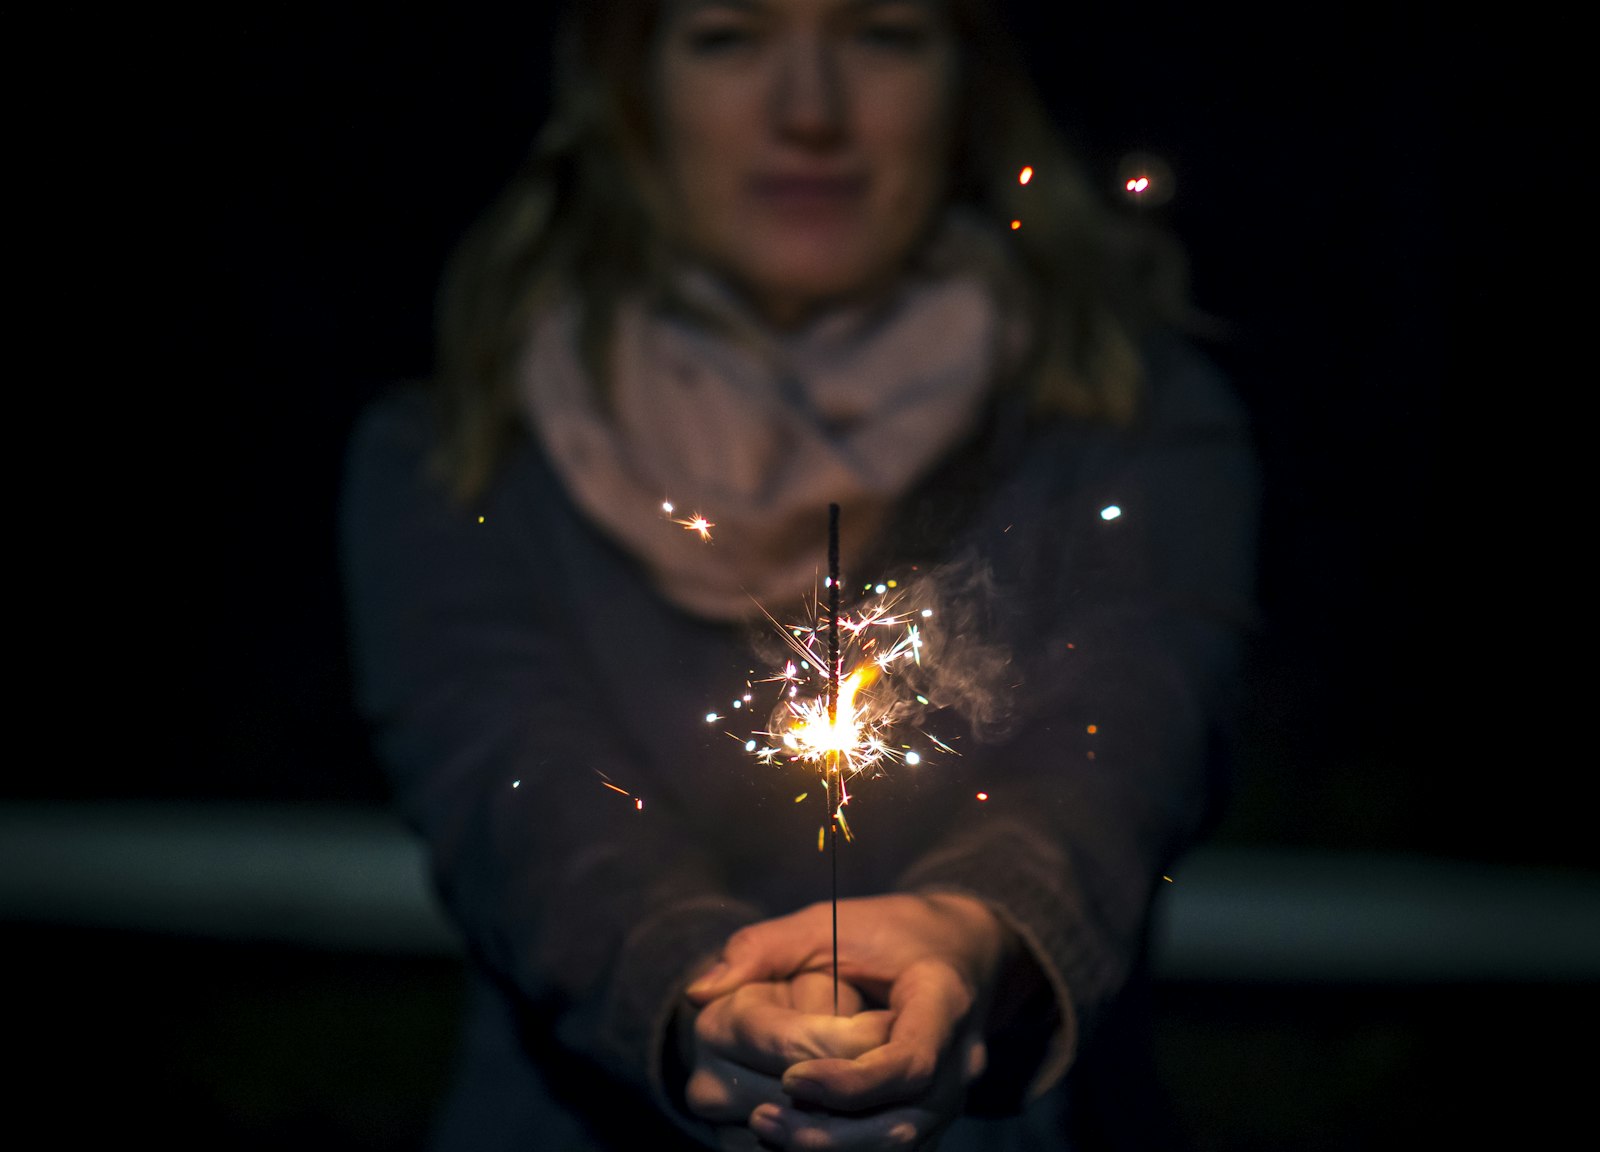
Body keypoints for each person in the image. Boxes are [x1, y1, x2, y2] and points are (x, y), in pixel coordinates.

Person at [341, 1, 1258, 1148]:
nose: (809, 112)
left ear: (967, 79)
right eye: (728, 34)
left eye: (881, 32)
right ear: (633, 88)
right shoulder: (459, 452)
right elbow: (510, 784)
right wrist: (691, 985)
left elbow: (1130, 729)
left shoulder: (1126, 418)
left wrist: (973, 928)